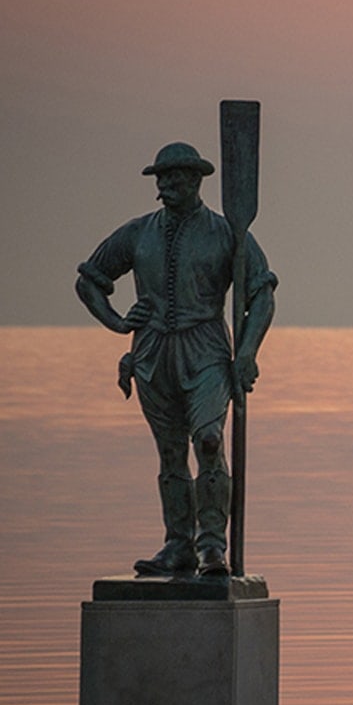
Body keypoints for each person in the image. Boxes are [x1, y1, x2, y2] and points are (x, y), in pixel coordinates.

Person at [76, 142, 276, 577]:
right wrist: (117, 323)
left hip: (206, 349)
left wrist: (247, 353)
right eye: (161, 178)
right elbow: (89, 279)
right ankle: (177, 543)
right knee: (170, 454)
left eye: (175, 177)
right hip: (151, 354)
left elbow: (261, 293)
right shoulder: (137, 232)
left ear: (196, 180)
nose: (166, 185)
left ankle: (211, 547)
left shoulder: (228, 234)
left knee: (207, 440)